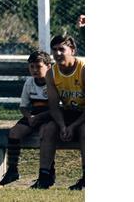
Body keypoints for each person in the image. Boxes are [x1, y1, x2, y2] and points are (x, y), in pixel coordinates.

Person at [35, 34, 84, 191]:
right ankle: (44, 177)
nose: (57, 53)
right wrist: (63, 126)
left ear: (72, 50)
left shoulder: (84, 69)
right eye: (54, 50)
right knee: (49, 129)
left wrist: (74, 126)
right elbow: (54, 106)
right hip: (71, 112)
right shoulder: (52, 73)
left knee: (85, 131)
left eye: (61, 49)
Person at [0, 50, 52, 186]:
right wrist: (29, 117)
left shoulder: (54, 82)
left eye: (38, 66)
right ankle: (12, 170)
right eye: (31, 67)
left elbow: (57, 108)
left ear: (48, 66)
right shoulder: (29, 82)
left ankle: (47, 173)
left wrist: (39, 117)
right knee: (14, 132)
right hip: (33, 115)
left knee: (45, 133)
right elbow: (23, 106)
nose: (34, 70)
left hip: (50, 115)